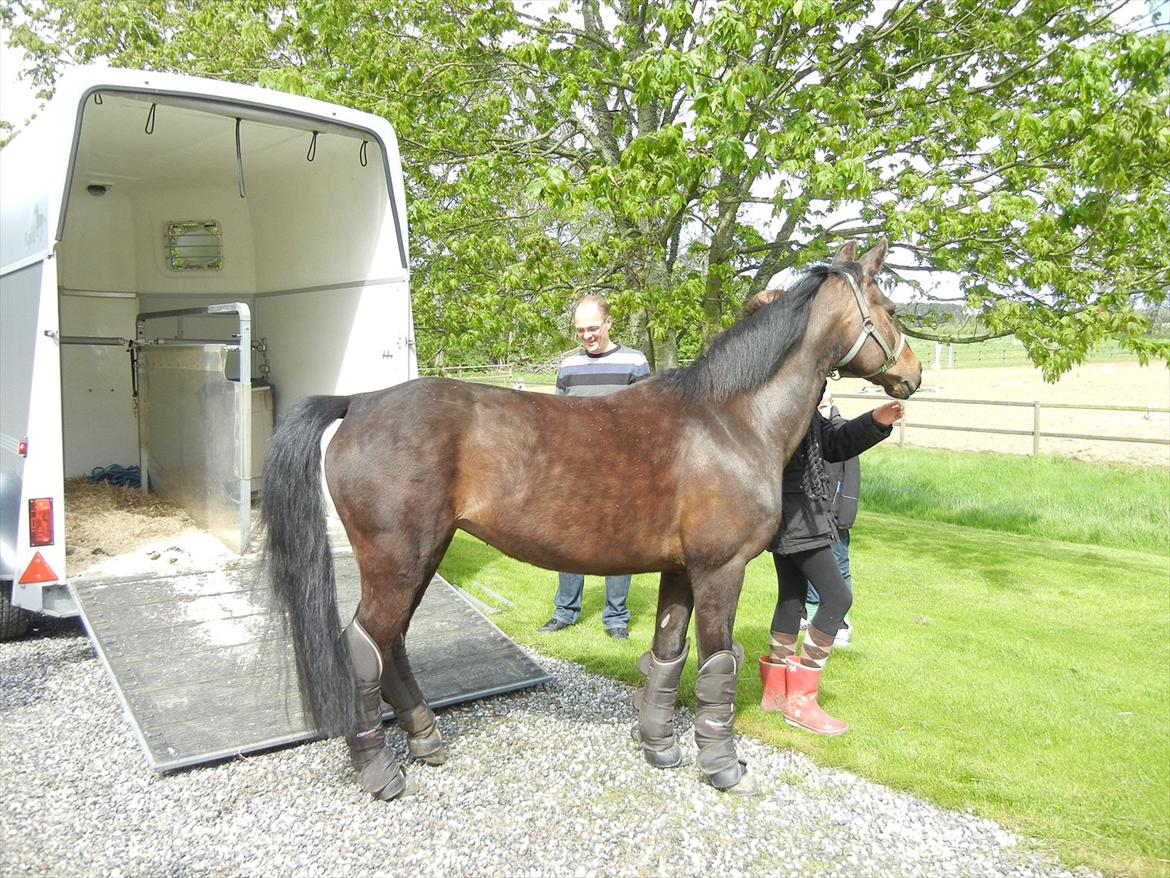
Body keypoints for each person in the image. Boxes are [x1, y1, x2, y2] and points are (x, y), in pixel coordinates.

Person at [758, 386, 903, 735]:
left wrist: (875, 422)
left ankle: (776, 693)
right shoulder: (786, 404)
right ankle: (801, 702)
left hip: (789, 513)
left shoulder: (797, 405)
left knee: (792, 599)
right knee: (838, 598)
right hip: (798, 516)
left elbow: (834, 444)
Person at [537, 295, 651, 640]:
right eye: (580, 330)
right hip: (575, 473)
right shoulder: (568, 366)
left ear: (608, 323)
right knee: (569, 542)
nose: (586, 335)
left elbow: (647, 419)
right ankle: (565, 612)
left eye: (592, 328)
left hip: (620, 472)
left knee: (620, 545)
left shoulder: (635, 361)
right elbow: (555, 420)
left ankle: (616, 618)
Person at [802, 389, 861, 647]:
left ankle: (841, 623)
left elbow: (851, 479)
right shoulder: (806, 428)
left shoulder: (842, 430)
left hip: (835, 517)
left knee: (839, 567)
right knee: (812, 567)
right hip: (810, 515)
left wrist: (844, 515)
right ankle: (812, 615)